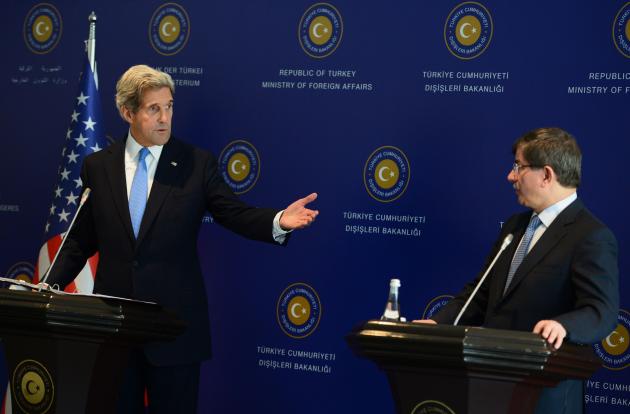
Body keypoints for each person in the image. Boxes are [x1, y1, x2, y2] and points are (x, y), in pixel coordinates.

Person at [45, 65, 319, 413]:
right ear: (128, 112)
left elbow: (233, 213)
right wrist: (46, 287)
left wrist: (279, 221)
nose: (165, 118)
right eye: (153, 109)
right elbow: (80, 241)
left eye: (169, 106)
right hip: (115, 331)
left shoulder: (195, 164)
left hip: (174, 330)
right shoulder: (98, 167)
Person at [415, 127, 619, 414]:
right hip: (490, 385)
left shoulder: (590, 236)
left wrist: (563, 326)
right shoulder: (515, 226)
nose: (510, 176)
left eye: (519, 167)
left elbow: (602, 311)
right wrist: (437, 324)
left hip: (544, 394)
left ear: (546, 175)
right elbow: (481, 294)